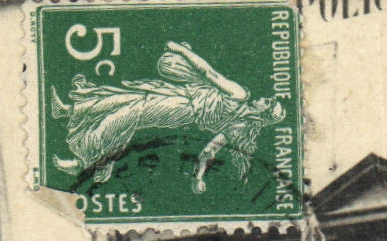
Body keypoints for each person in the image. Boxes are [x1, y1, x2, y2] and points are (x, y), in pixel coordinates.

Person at [50, 40, 286, 192]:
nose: (264, 98)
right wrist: (198, 177)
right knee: (127, 97)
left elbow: (209, 73)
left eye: (268, 102)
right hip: (182, 96)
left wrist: (181, 51)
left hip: (181, 107)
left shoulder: (240, 95)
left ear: (263, 112)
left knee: (129, 113)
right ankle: (69, 111)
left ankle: (86, 163)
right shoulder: (239, 125)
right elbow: (208, 151)